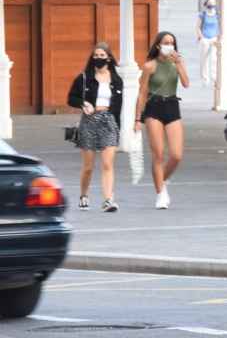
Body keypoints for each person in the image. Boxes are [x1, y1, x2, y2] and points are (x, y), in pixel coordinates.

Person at [136, 31, 190, 209]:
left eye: (172, 43)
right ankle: (160, 193)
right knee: (158, 153)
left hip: (172, 105)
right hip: (154, 108)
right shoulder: (150, 66)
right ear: (158, 45)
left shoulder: (176, 63)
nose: (169, 46)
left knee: (176, 155)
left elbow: (186, 83)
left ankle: (162, 180)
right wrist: (137, 118)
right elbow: (142, 92)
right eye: (166, 42)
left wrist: (179, 63)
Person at [67, 43, 123, 212]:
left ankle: (108, 200)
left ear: (109, 58)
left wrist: (118, 127)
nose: (99, 58)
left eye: (102, 55)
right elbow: (71, 98)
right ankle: (84, 195)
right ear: (92, 58)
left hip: (109, 121)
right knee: (89, 167)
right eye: (96, 55)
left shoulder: (116, 79)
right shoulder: (84, 78)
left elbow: (119, 105)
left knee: (107, 164)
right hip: (89, 121)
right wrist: (83, 103)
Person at [196, 0, 220, 87]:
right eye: (210, 4)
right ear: (206, 5)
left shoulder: (217, 15)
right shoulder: (202, 14)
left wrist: (218, 37)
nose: (211, 6)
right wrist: (201, 37)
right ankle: (205, 78)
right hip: (205, 38)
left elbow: (219, 27)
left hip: (214, 38)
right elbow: (198, 27)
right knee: (204, 59)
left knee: (214, 59)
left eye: (213, 4)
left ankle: (214, 77)